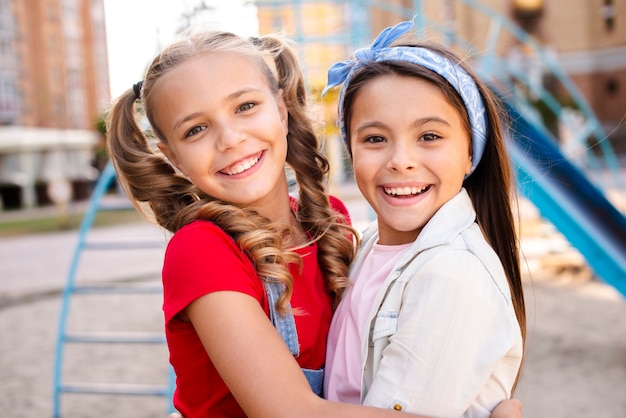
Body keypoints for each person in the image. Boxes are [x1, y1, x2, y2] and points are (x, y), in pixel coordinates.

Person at [106, 26, 523, 418]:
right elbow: (293, 412)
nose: (230, 138)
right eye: (196, 129)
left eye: (245, 106)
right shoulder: (202, 251)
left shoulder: (330, 224)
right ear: (174, 156)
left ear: (282, 110)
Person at [322, 20, 526, 417]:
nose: (400, 161)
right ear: (351, 150)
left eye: (429, 136)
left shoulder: (452, 274)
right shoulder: (365, 247)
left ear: (470, 153)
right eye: (375, 139)